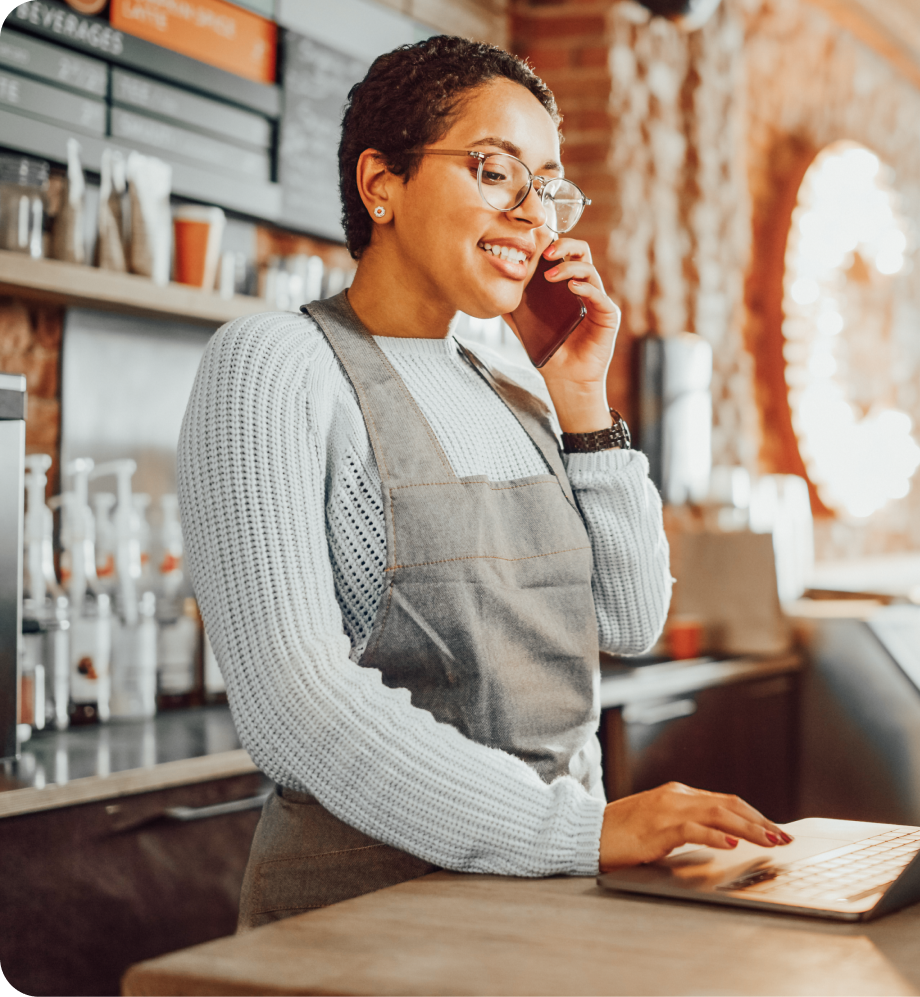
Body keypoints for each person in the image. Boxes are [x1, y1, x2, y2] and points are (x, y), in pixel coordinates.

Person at [178, 37, 790, 931]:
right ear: (380, 181)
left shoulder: (513, 384)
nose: (535, 215)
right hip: (364, 923)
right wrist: (576, 831)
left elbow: (628, 619)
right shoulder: (274, 363)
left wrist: (583, 399)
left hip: (547, 903)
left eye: (546, 187)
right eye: (495, 172)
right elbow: (294, 706)